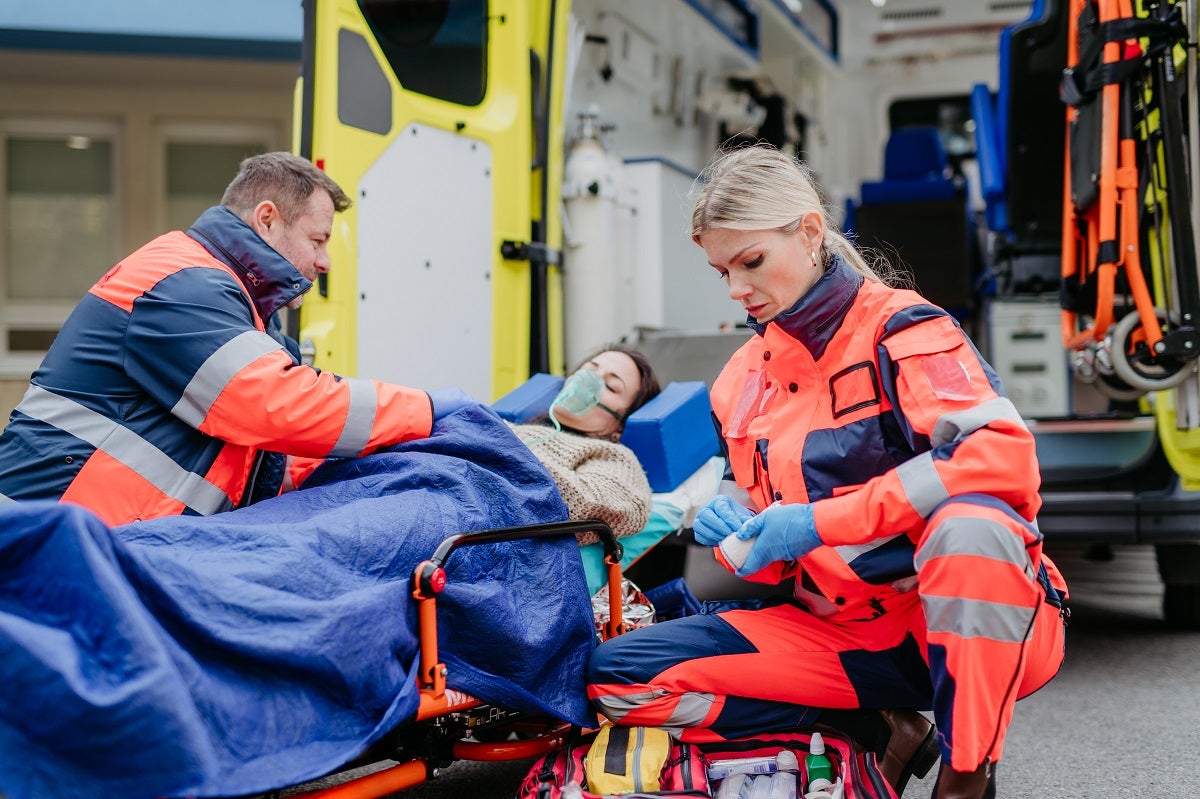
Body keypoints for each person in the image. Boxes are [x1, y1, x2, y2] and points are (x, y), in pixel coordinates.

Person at [586, 145, 1069, 799]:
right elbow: (758, 565)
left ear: (810, 232)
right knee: (614, 677)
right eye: (721, 270)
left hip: (967, 621)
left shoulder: (904, 330)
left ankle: (965, 772)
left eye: (750, 261)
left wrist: (818, 522)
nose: (736, 289)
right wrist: (735, 534)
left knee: (972, 527)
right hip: (839, 636)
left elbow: (1001, 455)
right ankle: (878, 727)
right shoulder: (736, 382)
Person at [0, 151, 473, 526]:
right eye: (318, 240)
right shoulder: (183, 281)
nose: (325, 262)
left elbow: (261, 462)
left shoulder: (232, 302)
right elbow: (275, 404)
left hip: (81, 540)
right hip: (44, 543)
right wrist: (425, 410)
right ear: (267, 219)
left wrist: (383, 454)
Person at [508, 344, 662, 544]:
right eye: (590, 369)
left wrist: (499, 442)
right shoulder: (515, 429)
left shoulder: (615, 458)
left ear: (620, 425)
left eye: (611, 387)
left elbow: (589, 504)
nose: (590, 381)